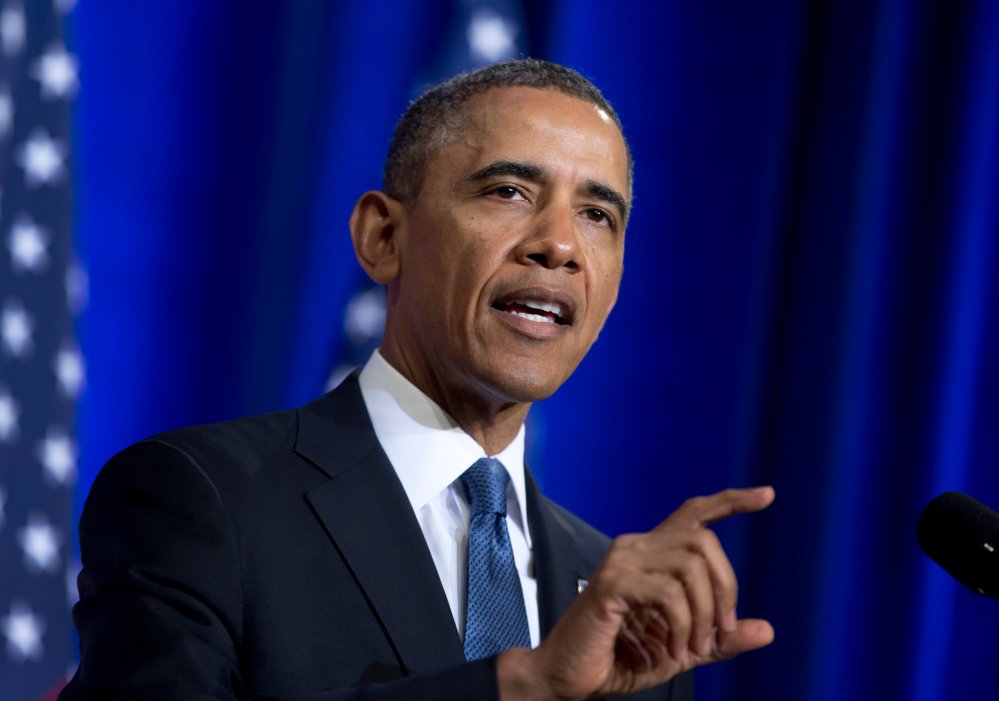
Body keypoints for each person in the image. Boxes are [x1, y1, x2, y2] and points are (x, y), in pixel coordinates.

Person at [60, 59, 774, 701]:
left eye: (596, 215)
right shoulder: (203, 498)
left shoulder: (624, 610)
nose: (559, 244)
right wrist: (518, 685)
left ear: (613, 289)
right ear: (383, 237)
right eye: (509, 191)